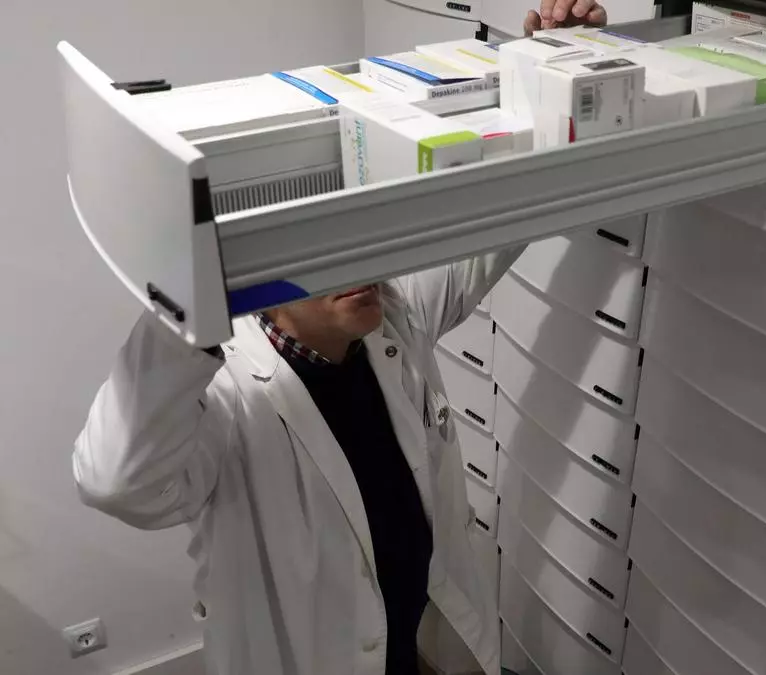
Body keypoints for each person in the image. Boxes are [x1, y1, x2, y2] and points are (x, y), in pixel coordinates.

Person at [74, 6, 607, 675]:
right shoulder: (229, 403)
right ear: (261, 272)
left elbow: (507, 216)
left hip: (416, 649)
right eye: (327, 249)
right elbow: (113, 482)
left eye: (363, 236)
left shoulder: (393, 314)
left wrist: (552, 64)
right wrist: (184, 299)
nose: (362, 265)